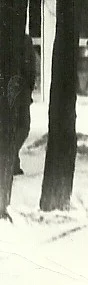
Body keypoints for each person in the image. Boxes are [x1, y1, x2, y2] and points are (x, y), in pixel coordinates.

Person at [8, 32, 36, 177]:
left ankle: (12, 159)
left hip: (19, 89)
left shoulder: (22, 39)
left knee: (20, 127)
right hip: (19, 89)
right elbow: (31, 66)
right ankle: (11, 159)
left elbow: (31, 65)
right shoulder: (23, 40)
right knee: (22, 126)